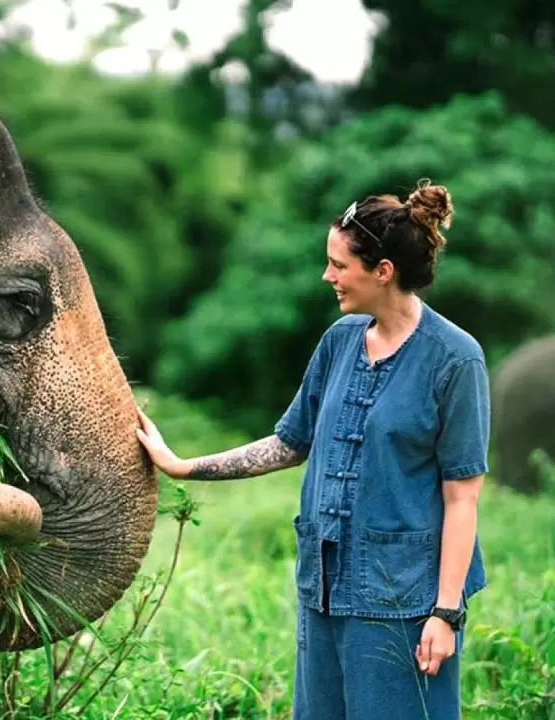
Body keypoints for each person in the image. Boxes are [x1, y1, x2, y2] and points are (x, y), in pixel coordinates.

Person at [137, 180, 488, 719]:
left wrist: (445, 613)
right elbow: (289, 442)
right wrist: (185, 466)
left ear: (383, 271)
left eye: (338, 265)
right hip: (324, 590)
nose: (327, 276)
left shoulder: (456, 359)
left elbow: (462, 496)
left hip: (403, 604)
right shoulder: (339, 341)